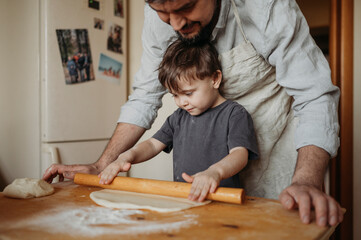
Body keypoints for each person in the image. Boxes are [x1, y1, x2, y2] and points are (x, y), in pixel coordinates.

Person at [43, 0, 343, 227]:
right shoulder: (164, 20)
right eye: (161, 10)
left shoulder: (264, 7)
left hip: (277, 148)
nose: (174, 23)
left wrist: (307, 180)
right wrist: (105, 163)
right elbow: (146, 97)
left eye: (185, 7)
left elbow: (314, 94)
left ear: (215, 78)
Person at [99, 40, 258, 202]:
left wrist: (215, 172)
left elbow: (240, 154)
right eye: (175, 95)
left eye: (188, 93)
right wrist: (126, 156)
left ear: (215, 79)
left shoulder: (234, 114)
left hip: (223, 201)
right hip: (184, 199)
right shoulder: (179, 117)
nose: (182, 102)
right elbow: (153, 144)